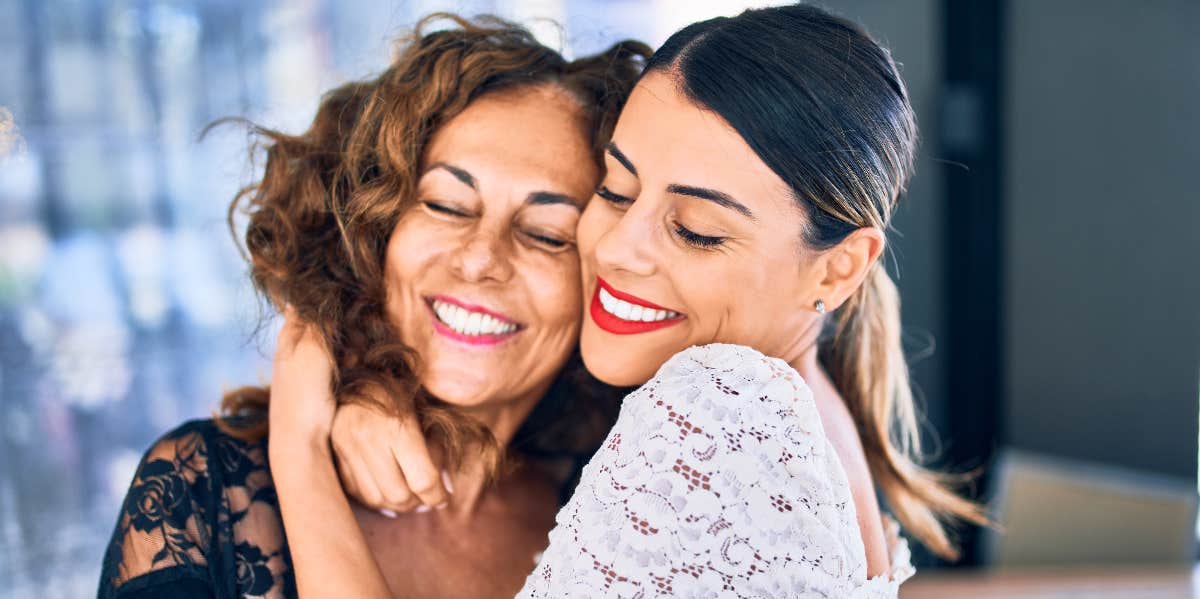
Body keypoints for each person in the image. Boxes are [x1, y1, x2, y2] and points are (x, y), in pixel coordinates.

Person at [273, 4, 989, 597]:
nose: (615, 248)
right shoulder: (808, 417)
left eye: (696, 230)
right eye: (614, 190)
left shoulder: (720, 408)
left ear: (839, 269)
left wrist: (300, 454)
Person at [96, 14, 649, 599]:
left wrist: (301, 456)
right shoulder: (200, 488)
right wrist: (299, 451)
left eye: (546, 233)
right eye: (446, 204)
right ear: (370, 233)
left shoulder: (627, 507)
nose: (480, 257)